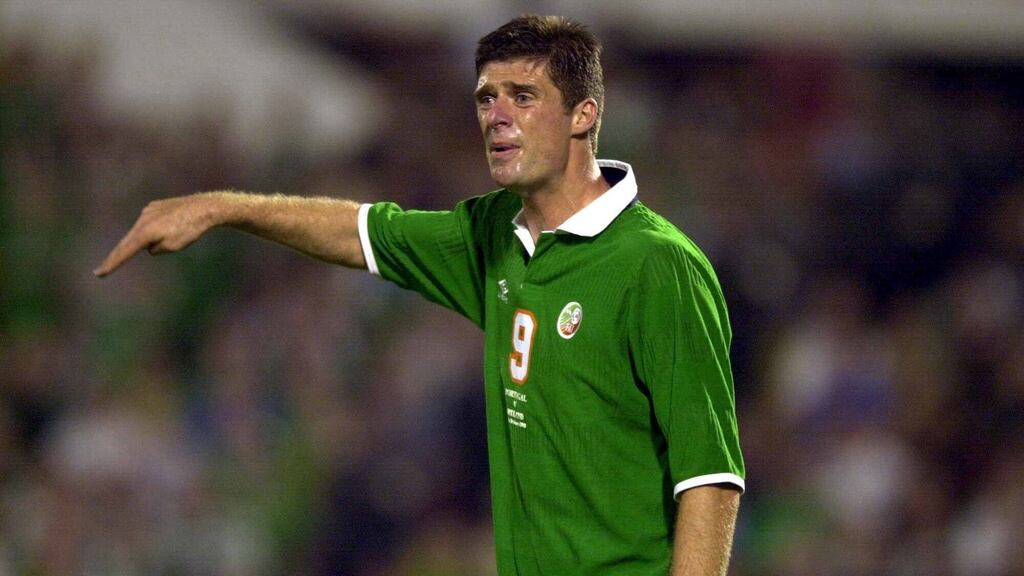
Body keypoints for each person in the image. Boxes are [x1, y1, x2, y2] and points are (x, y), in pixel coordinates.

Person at [95, 15, 744, 575]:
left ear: (585, 114)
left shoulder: (658, 265)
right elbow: (359, 231)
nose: (498, 116)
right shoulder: (493, 234)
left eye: (523, 96)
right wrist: (224, 208)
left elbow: (709, 478)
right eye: (487, 98)